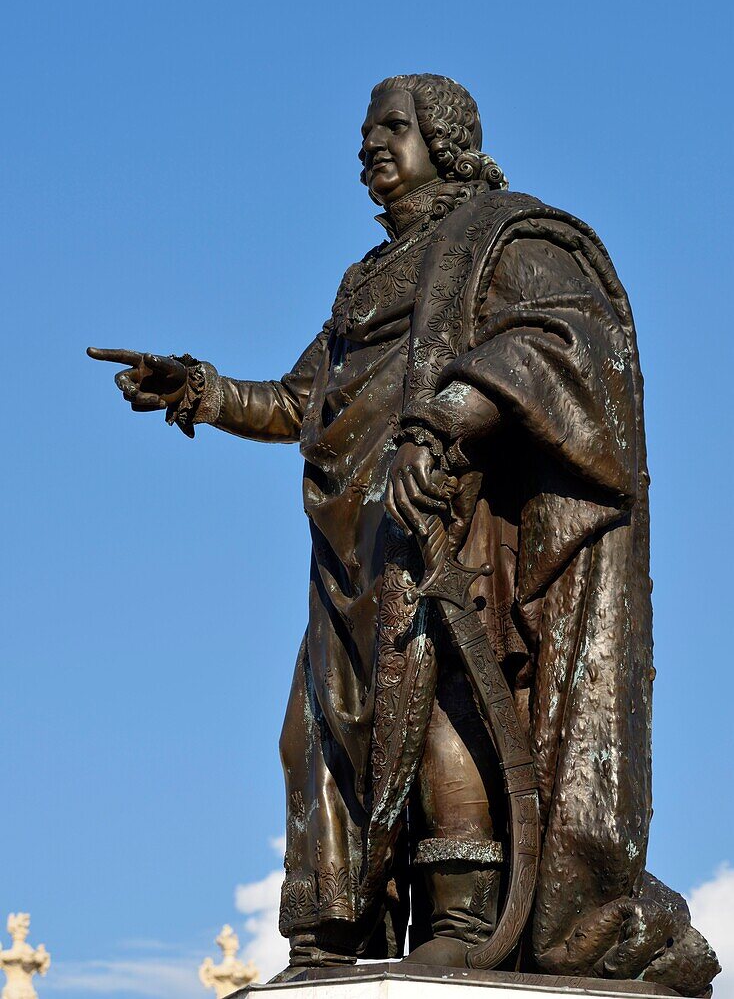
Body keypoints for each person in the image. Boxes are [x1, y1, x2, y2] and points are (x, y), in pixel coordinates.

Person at [89, 74, 718, 994]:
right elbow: (309, 402)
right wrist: (200, 390)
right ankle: (329, 929)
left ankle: (464, 914)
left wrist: (445, 419)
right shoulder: (365, 279)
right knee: (316, 735)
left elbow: (563, 340)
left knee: (441, 711)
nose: (369, 145)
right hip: (357, 541)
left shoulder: (512, 236)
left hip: (447, 526)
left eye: (392, 127)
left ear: (447, 137)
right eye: (364, 132)